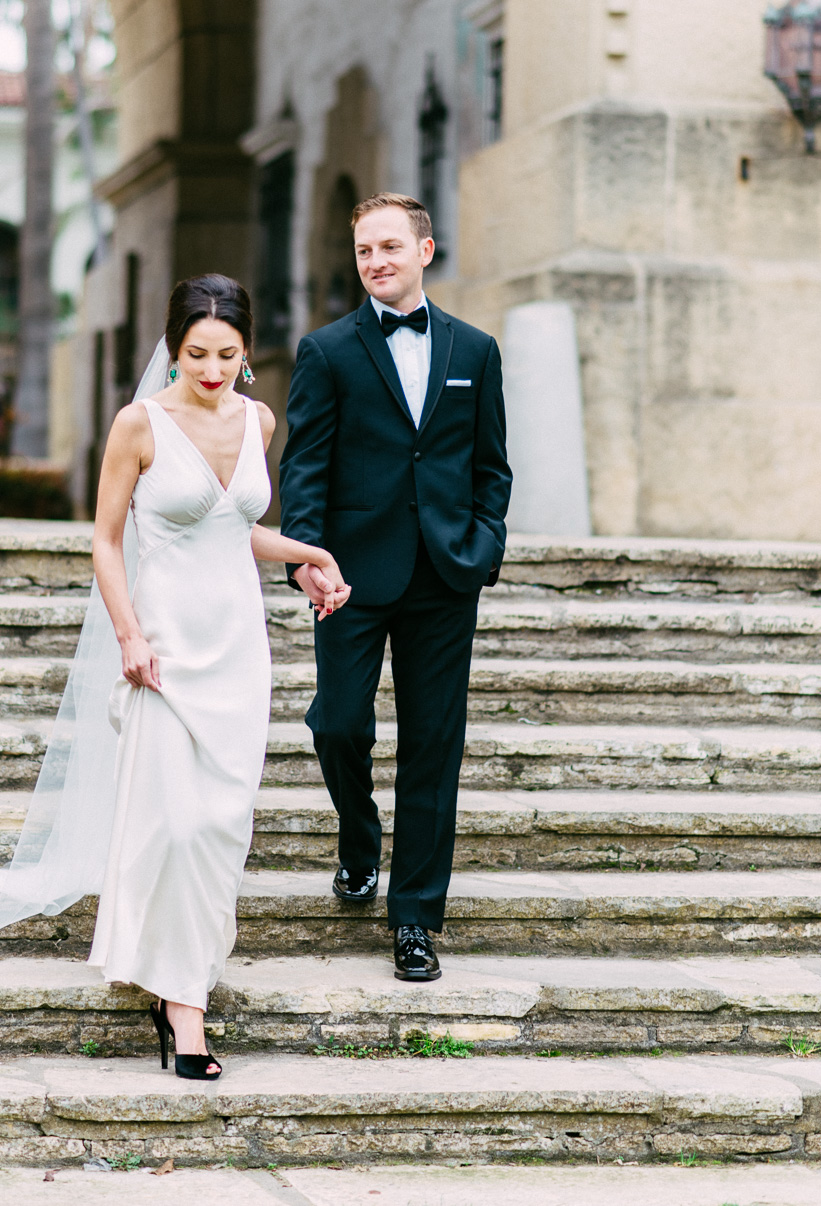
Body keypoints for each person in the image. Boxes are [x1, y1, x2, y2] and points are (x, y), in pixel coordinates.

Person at [87, 274, 350, 1079]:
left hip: (237, 650)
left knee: (220, 829)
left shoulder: (257, 419)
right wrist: (129, 635)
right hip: (163, 648)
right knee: (174, 825)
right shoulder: (139, 424)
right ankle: (184, 1009)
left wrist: (309, 553)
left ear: (247, 352)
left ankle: (185, 977)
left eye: (227, 355)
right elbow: (105, 541)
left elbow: (236, 528)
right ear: (174, 349)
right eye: (197, 354)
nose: (211, 370)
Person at [278, 194, 511, 984]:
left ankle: (415, 918)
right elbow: (304, 463)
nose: (375, 261)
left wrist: (483, 547)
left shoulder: (476, 350)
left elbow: (491, 466)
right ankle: (359, 837)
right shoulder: (326, 351)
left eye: (389, 247)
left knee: (433, 748)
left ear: (424, 250)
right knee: (339, 724)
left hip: (445, 575)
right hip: (347, 573)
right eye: (363, 251)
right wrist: (305, 555)